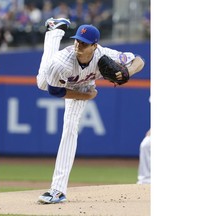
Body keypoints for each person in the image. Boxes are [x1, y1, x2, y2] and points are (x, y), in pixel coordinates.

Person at [36, 17, 145, 204]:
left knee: (70, 128)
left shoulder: (106, 54)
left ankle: (57, 190)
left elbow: (138, 60)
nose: (79, 45)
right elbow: (55, 92)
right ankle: (55, 32)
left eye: (84, 43)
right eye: (77, 40)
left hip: (84, 83)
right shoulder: (61, 62)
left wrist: (128, 72)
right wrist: (87, 97)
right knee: (42, 83)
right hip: (70, 85)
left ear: (95, 46)